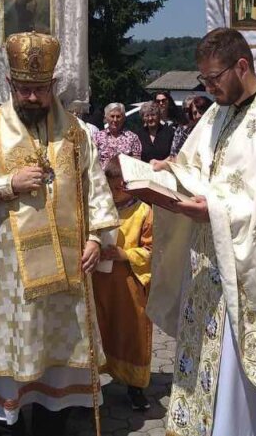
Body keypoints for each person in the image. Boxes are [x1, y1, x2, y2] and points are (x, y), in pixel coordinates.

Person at [148, 27, 256, 435]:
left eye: (214, 79)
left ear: (241, 66)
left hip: (248, 283)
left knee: (235, 391)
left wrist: (214, 209)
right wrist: (168, 171)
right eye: (204, 81)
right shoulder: (218, 112)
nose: (208, 89)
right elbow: (197, 167)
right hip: (208, 271)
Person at [0, 32, 119, 436]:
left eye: (40, 89)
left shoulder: (77, 134)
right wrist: (6, 183)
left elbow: (96, 188)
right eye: (25, 89)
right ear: (10, 85)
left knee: (54, 391)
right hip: (10, 284)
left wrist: (97, 238)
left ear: (53, 86)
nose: (33, 98)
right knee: (7, 381)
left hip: (66, 283)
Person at [94, 157, 155, 411]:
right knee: (100, 331)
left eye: (119, 188)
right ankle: (92, 387)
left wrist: (125, 255)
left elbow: (152, 250)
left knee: (132, 334)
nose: (113, 193)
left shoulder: (144, 212)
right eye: (109, 188)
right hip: (100, 283)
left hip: (129, 286)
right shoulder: (100, 209)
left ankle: (136, 387)